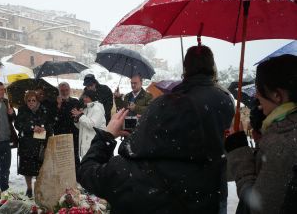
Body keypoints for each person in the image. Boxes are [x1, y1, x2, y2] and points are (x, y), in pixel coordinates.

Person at [78, 45, 235, 213]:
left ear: (150, 121)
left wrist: (107, 136)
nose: (132, 85)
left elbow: (87, 171)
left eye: (134, 83)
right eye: (131, 83)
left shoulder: (125, 172)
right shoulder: (205, 175)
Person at [225, 54, 297, 214]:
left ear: (277, 95)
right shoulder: (283, 131)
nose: (256, 96)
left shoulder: (283, 143)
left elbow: (258, 207)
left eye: (259, 90)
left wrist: (239, 151)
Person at [14, 90, 55, 198]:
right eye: (29, 100)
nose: (31, 102)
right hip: (26, 144)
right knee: (27, 169)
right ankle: (29, 188)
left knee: (39, 169)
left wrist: (44, 128)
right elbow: (18, 124)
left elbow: (50, 125)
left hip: (40, 145)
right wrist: (32, 128)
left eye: (33, 100)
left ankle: (38, 187)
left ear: (37, 101)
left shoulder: (44, 109)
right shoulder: (22, 110)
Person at [55, 82, 81, 175]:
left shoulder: (75, 102)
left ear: (69, 90)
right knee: (62, 157)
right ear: (59, 91)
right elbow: (53, 119)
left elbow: (80, 116)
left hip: (74, 134)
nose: (65, 92)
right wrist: (58, 106)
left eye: (66, 90)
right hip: (60, 134)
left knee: (75, 156)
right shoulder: (55, 103)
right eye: (62, 90)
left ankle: (77, 177)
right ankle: (64, 176)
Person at [72, 90, 106, 158]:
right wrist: (76, 119)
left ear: (92, 97)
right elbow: (82, 126)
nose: (84, 99)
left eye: (87, 97)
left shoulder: (97, 109)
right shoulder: (86, 109)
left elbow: (92, 125)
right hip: (85, 145)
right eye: (84, 97)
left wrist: (80, 115)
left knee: (93, 165)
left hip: (94, 145)